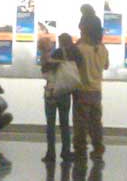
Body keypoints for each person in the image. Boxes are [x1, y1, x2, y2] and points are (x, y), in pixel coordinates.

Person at [72, 11, 109, 164]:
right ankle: (98, 149)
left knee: (80, 124)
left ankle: (80, 151)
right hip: (96, 90)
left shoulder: (80, 48)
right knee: (96, 123)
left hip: (82, 91)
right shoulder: (102, 48)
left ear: (85, 29)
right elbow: (106, 66)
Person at [41, 32, 77, 162]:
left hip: (51, 92)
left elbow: (45, 71)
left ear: (60, 42)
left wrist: (48, 60)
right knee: (65, 124)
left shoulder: (56, 53)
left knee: (50, 125)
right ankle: (66, 152)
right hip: (65, 93)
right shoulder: (74, 54)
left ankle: (51, 153)